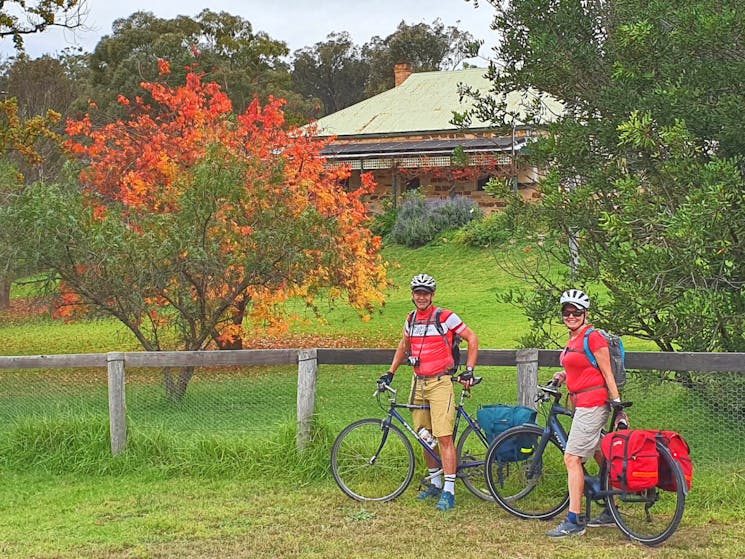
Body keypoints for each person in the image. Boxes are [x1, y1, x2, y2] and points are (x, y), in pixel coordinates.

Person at [377, 273, 479, 511]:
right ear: (412, 295)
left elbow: (472, 338)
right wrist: (390, 372)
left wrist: (470, 370)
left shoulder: (445, 317)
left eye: (425, 293)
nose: (421, 297)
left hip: (441, 382)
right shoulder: (410, 319)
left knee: (443, 437)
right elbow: (404, 346)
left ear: (432, 295)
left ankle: (449, 490)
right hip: (418, 382)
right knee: (423, 435)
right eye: (417, 292)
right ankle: (435, 483)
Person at [547, 288, 622, 538]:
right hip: (581, 403)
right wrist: (562, 376)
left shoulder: (593, 337)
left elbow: (606, 371)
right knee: (601, 454)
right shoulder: (573, 339)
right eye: (566, 311)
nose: (571, 315)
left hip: (593, 404)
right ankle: (612, 510)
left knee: (572, 459)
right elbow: (581, 367)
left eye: (576, 311)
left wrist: (617, 404)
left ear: (585, 313)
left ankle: (574, 520)